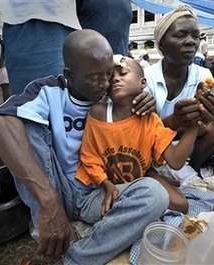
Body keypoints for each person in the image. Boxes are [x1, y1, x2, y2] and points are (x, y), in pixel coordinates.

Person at [0, 29, 167, 265]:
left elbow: (155, 135)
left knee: (155, 195)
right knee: (19, 123)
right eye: (94, 77)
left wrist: (146, 104)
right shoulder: (49, 92)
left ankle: (74, 258)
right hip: (57, 189)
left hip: (100, 194)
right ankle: (51, 222)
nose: (104, 84)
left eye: (108, 74)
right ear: (69, 74)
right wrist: (50, 202)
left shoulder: (115, 95)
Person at [76, 55, 195, 220]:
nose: (115, 79)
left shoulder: (150, 119)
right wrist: (106, 183)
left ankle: (152, 178)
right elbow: (89, 156)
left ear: (143, 83)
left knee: (182, 205)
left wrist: (194, 126)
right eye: (110, 77)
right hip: (106, 185)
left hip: (140, 181)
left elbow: (175, 161)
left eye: (122, 73)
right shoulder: (99, 113)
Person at [144, 4, 214, 174]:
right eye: (180, 35)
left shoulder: (202, 74)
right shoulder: (146, 78)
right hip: (152, 144)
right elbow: (142, 134)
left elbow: (207, 119)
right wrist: (175, 121)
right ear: (162, 44)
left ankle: (194, 168)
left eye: (196, 36)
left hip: (185, 140)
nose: (191, 41)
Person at [0, 1, 133, 95]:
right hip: (40, 10)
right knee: (41, 111)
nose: (104, 84)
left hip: (110, 8)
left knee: (116, 104)